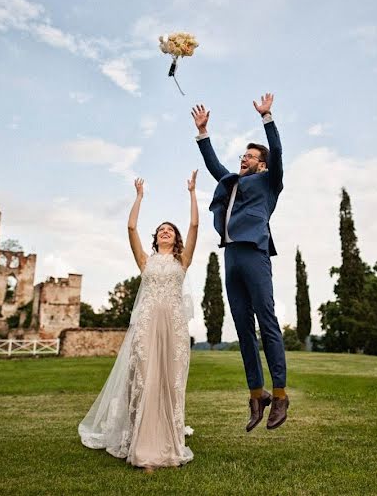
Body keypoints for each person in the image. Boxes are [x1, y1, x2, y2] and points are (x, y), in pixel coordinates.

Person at [78, 172, 199, 469]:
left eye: (169, 229)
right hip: (146, 325)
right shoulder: (145, 260)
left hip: (174, 328)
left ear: (176, 237)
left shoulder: (182, 261)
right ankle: (143, 448)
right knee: (145, 381)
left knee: (170, 383)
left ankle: (170, 442)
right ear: (155, 238)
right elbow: (131, 226)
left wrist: (193, 194)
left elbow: (195, 224)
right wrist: (139, 197)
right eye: (160, 230)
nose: (165, 232)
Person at [191, 93, 289, 431]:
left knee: (267, 321)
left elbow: (277, 153)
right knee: (244, 329)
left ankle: (279, 395)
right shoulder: (230, 183)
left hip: (254, 252)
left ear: (260, 164)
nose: (243, 159)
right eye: (242, 155)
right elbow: (214, 165)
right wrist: (203, 133)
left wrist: (267, 118)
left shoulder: (269, 181)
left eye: (249, 155)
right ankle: (256, 395)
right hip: (230, 256)